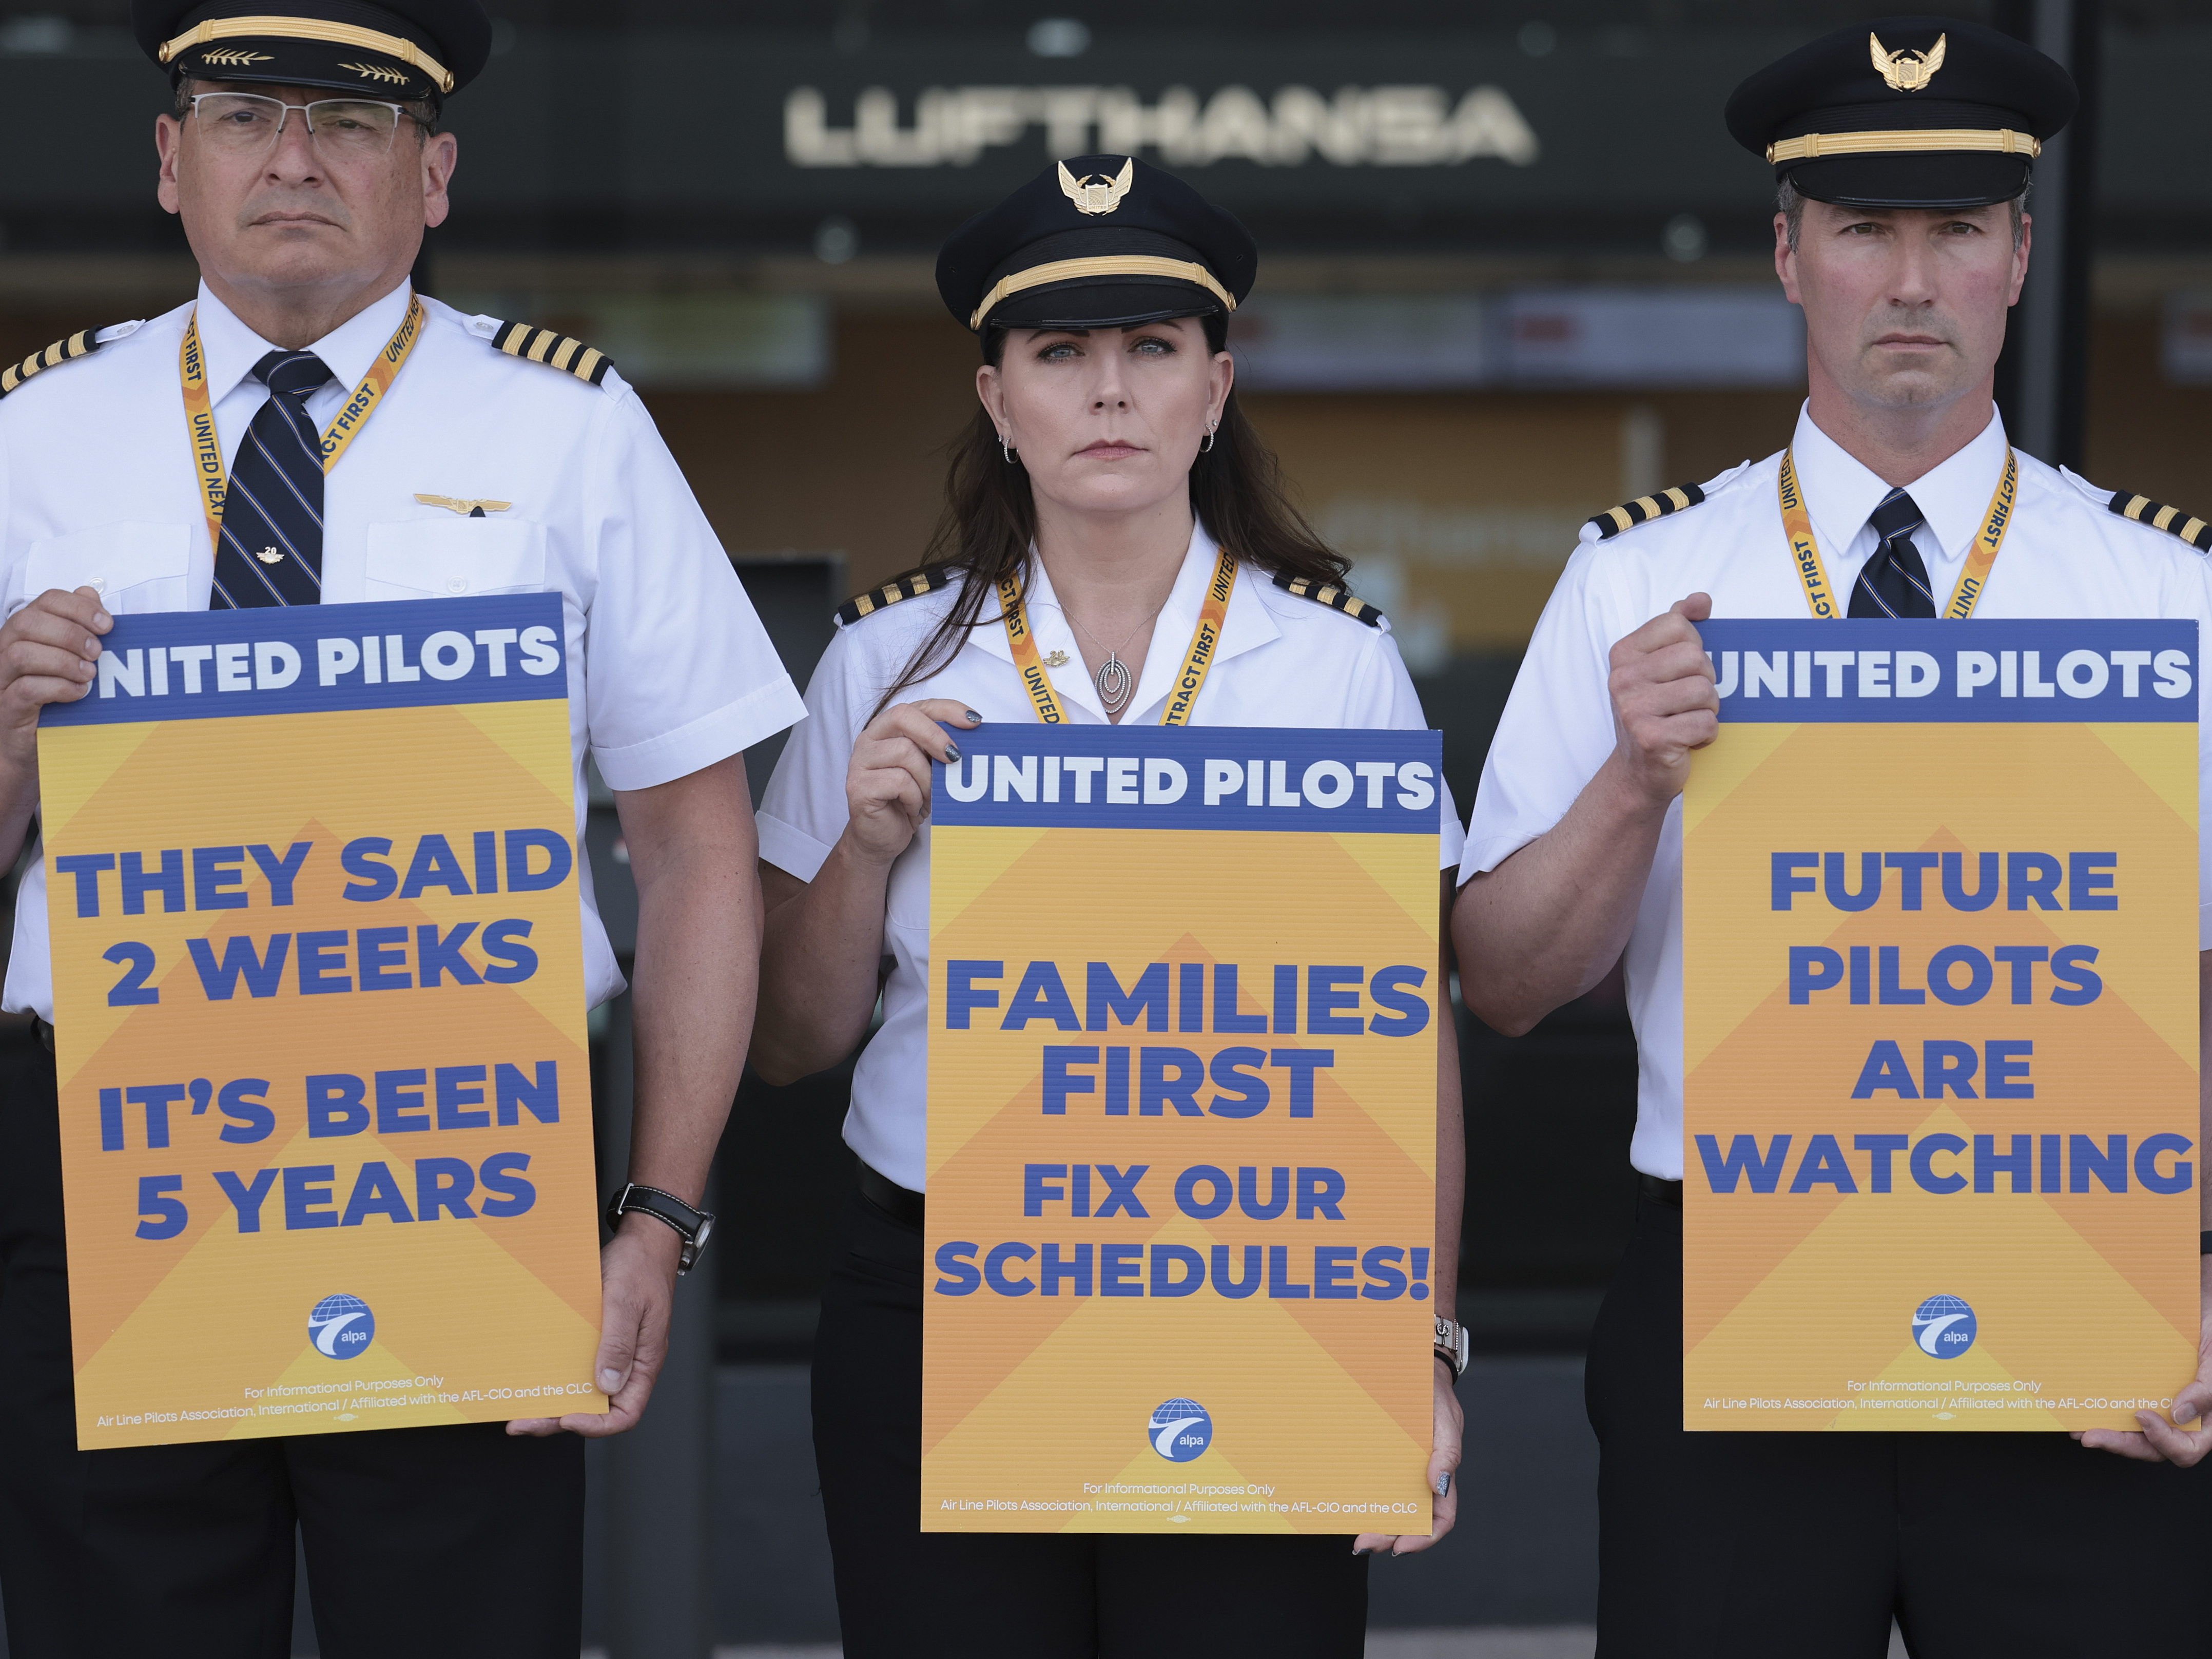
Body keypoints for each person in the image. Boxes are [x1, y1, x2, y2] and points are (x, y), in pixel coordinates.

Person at [0, 1, 804, 1652]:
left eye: (349, 123)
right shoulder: (31, 436)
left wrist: (657, 1213)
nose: (293, 159)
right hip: (106, 1163)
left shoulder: (573, 430)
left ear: (432, 174)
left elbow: (697, 850)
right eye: (242, 118)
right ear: (170, 161)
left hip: (457, 1151)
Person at [1452, 15, 2212, 1656]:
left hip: (2086, 1283)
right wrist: (1631, 786)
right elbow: (1501, 980)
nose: (1915, 279)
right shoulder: (1634, 582)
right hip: (1724, 1279)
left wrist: (2210, 1268)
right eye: (1868, 230)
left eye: (1957, 229)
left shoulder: (2170, 595)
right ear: (1790, 256)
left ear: (2020, 253)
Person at [749, 155, 1466, 1657]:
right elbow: (793, 1041)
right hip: (941, 1289)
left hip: (1260, 1280)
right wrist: (867, 845)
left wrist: (1425, 1343)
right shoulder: (885, 661)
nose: (1110, 391)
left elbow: (1410, 1046)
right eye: (1061, 354)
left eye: (1150, 348)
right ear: (999, 399)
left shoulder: (1335, 665)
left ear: (1216, 388)